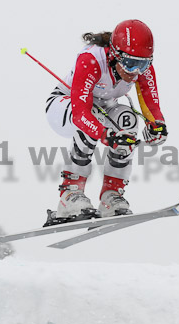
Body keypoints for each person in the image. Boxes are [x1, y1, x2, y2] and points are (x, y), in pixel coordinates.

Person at [45, 19, 168, 224]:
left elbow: (150, 104)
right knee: (94, 116)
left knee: (128, 119)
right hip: (65, 107)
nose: (135, 72)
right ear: (114, 55)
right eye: (130, 64)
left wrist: (157, 126)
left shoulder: (138, 67)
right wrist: (106, 135)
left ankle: (111, 196)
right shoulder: (91, 59)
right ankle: (70, 194)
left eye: (143, 65)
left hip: (102, 108)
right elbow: (80, 114)